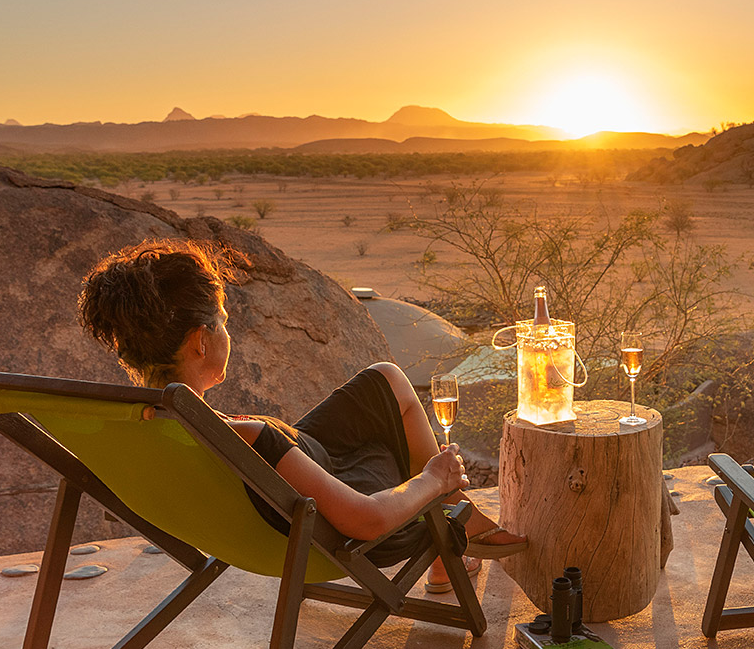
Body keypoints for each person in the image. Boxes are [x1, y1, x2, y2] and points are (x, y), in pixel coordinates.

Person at [76, 238, 525, 593]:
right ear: (200, 342)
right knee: (396, 418)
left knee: (384, 378)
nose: (228, 331)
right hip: (342, 518)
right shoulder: (244, 439)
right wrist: (436, 479)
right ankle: (451, 528)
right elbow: (367, 520)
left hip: (301, 476)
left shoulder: (133, 427)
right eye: (224, 321)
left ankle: (454, 528)